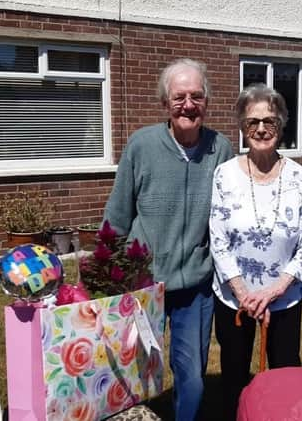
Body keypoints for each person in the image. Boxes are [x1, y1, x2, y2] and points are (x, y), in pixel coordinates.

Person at [103, 58, 233, 421]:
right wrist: (105, 271)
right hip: (143, 282)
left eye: (196, 96)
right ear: (165, 102)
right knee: (132, 372)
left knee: (192, 379)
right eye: (179, 97)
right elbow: (117, 214)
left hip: (195, 285)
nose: (188, 105)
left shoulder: (221, 149)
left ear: (206, 101)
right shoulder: (141, 145)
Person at [209, 83, 302, 420]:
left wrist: (274, 291)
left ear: (281, 126)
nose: (260, 129)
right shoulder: (225, 174)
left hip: (284, 298)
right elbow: (218, 238)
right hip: (233, 298)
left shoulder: (300, 176)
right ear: (242, 127)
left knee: (286, 375)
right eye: (252, 121)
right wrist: (244, 292)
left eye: (269, 121)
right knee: (235, 378)